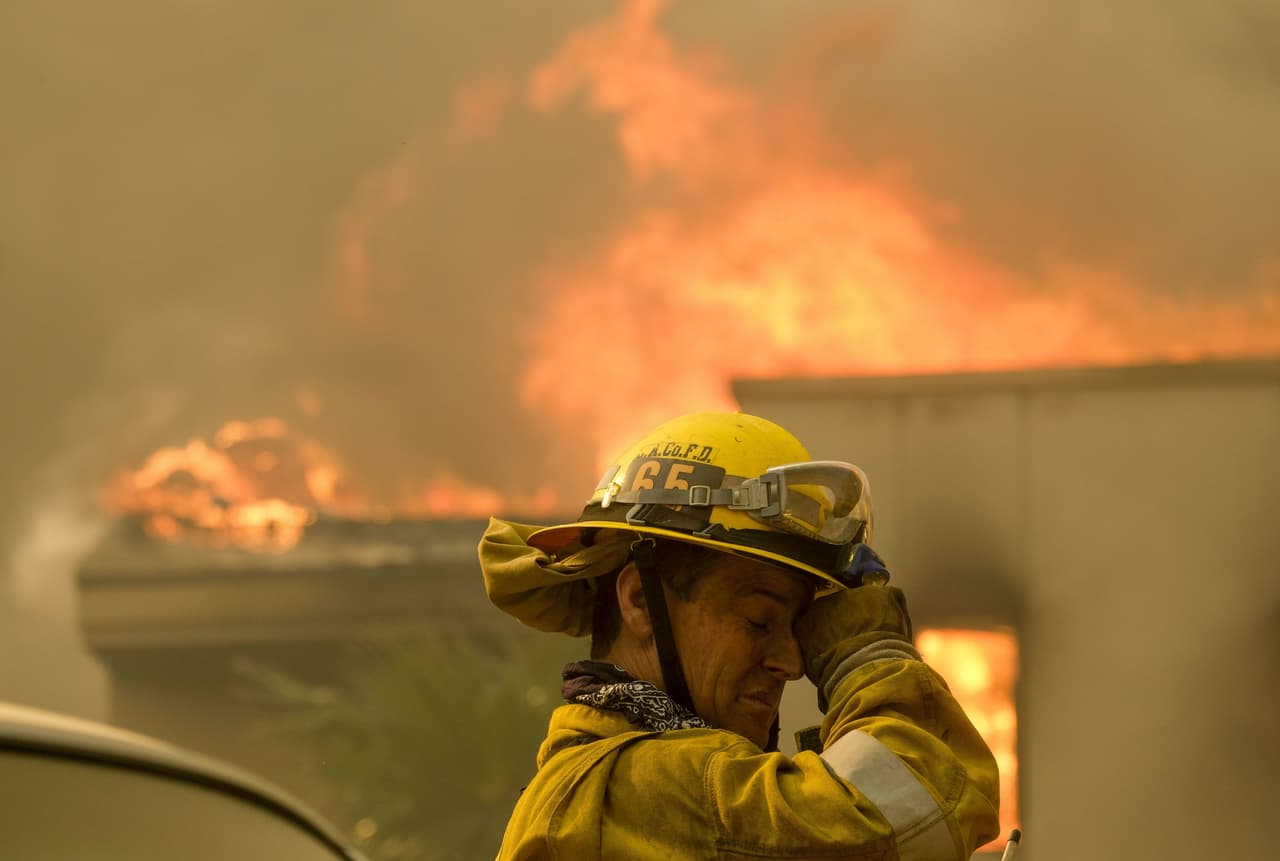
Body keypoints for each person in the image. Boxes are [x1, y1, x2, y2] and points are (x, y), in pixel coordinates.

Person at [479, 412, 999, 859]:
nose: (792, 662)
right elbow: (919, 806)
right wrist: (867, 655)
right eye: (758, 619)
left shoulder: (624, 790)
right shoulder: (634, 791)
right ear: (638, 599)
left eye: (798, 627)